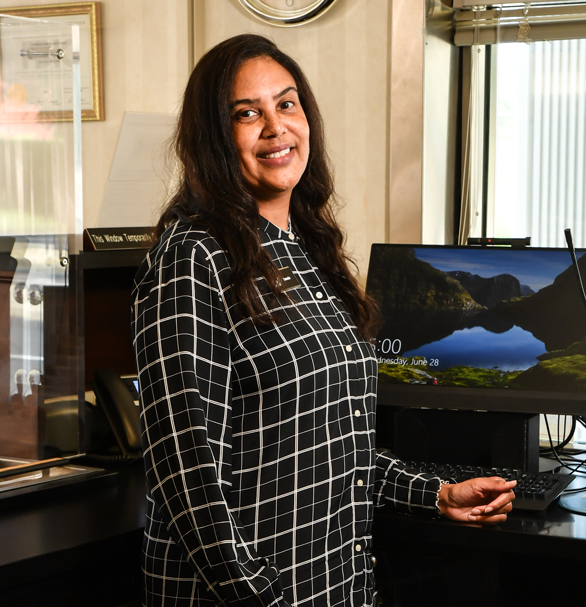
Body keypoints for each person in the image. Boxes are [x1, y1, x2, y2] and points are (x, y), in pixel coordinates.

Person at [131, 33, 516, 607]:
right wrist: (260, 595)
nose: (275, 127)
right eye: (246, 114)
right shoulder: (193, 256)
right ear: (213, 138)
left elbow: (335, 445)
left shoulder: (309, 251)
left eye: (286, 104)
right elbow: (187, 478)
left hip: (335, 586)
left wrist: (436, 494)